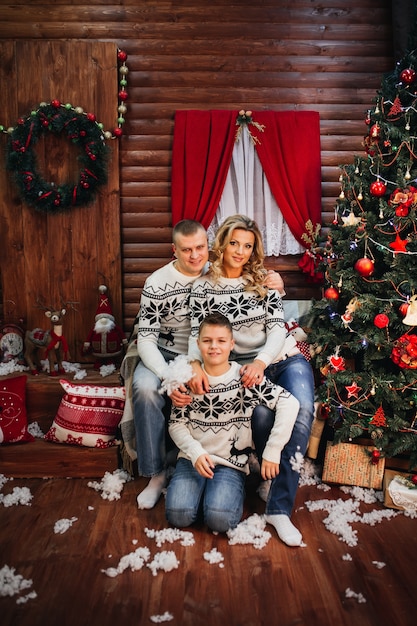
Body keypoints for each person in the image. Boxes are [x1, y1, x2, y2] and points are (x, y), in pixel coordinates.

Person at [187, 214, 315, 547]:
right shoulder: (203, 286)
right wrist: (194, 363)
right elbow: (195, 333)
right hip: (246, 369)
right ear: (222, 244)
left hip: (282, 359)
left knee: (301, 409)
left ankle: (279, 509)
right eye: (234, 243)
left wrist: (260, 361)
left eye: (248, 245)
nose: (241, 251)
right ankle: (265, 473)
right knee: (261, 416)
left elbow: (277, 330)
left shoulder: (264, 282)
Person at [165, 312, 299, 533]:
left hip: (230, 463)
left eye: (221, 341)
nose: (214, 347)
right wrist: (195, 452)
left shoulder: (245, 378)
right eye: (207, 341)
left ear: (232, 344)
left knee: (220, 520)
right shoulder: (189, 379)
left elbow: (289, 403)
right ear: (198, 344)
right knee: (179, 515)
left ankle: (225, 492)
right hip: (193, 458)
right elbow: (176, 424)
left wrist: (272, 451)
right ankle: (197, 492)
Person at [131, 219, 210, 510]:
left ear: (207, 245)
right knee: (144, 388)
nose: (195, 256)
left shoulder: (217, 276)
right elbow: (146, 340)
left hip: (203, 356)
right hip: (162, 354)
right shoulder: (156, 283)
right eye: (186, 249)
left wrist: (273, 278)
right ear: (174, 249)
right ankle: (155, 474)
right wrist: (168, 377)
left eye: (200, 247)